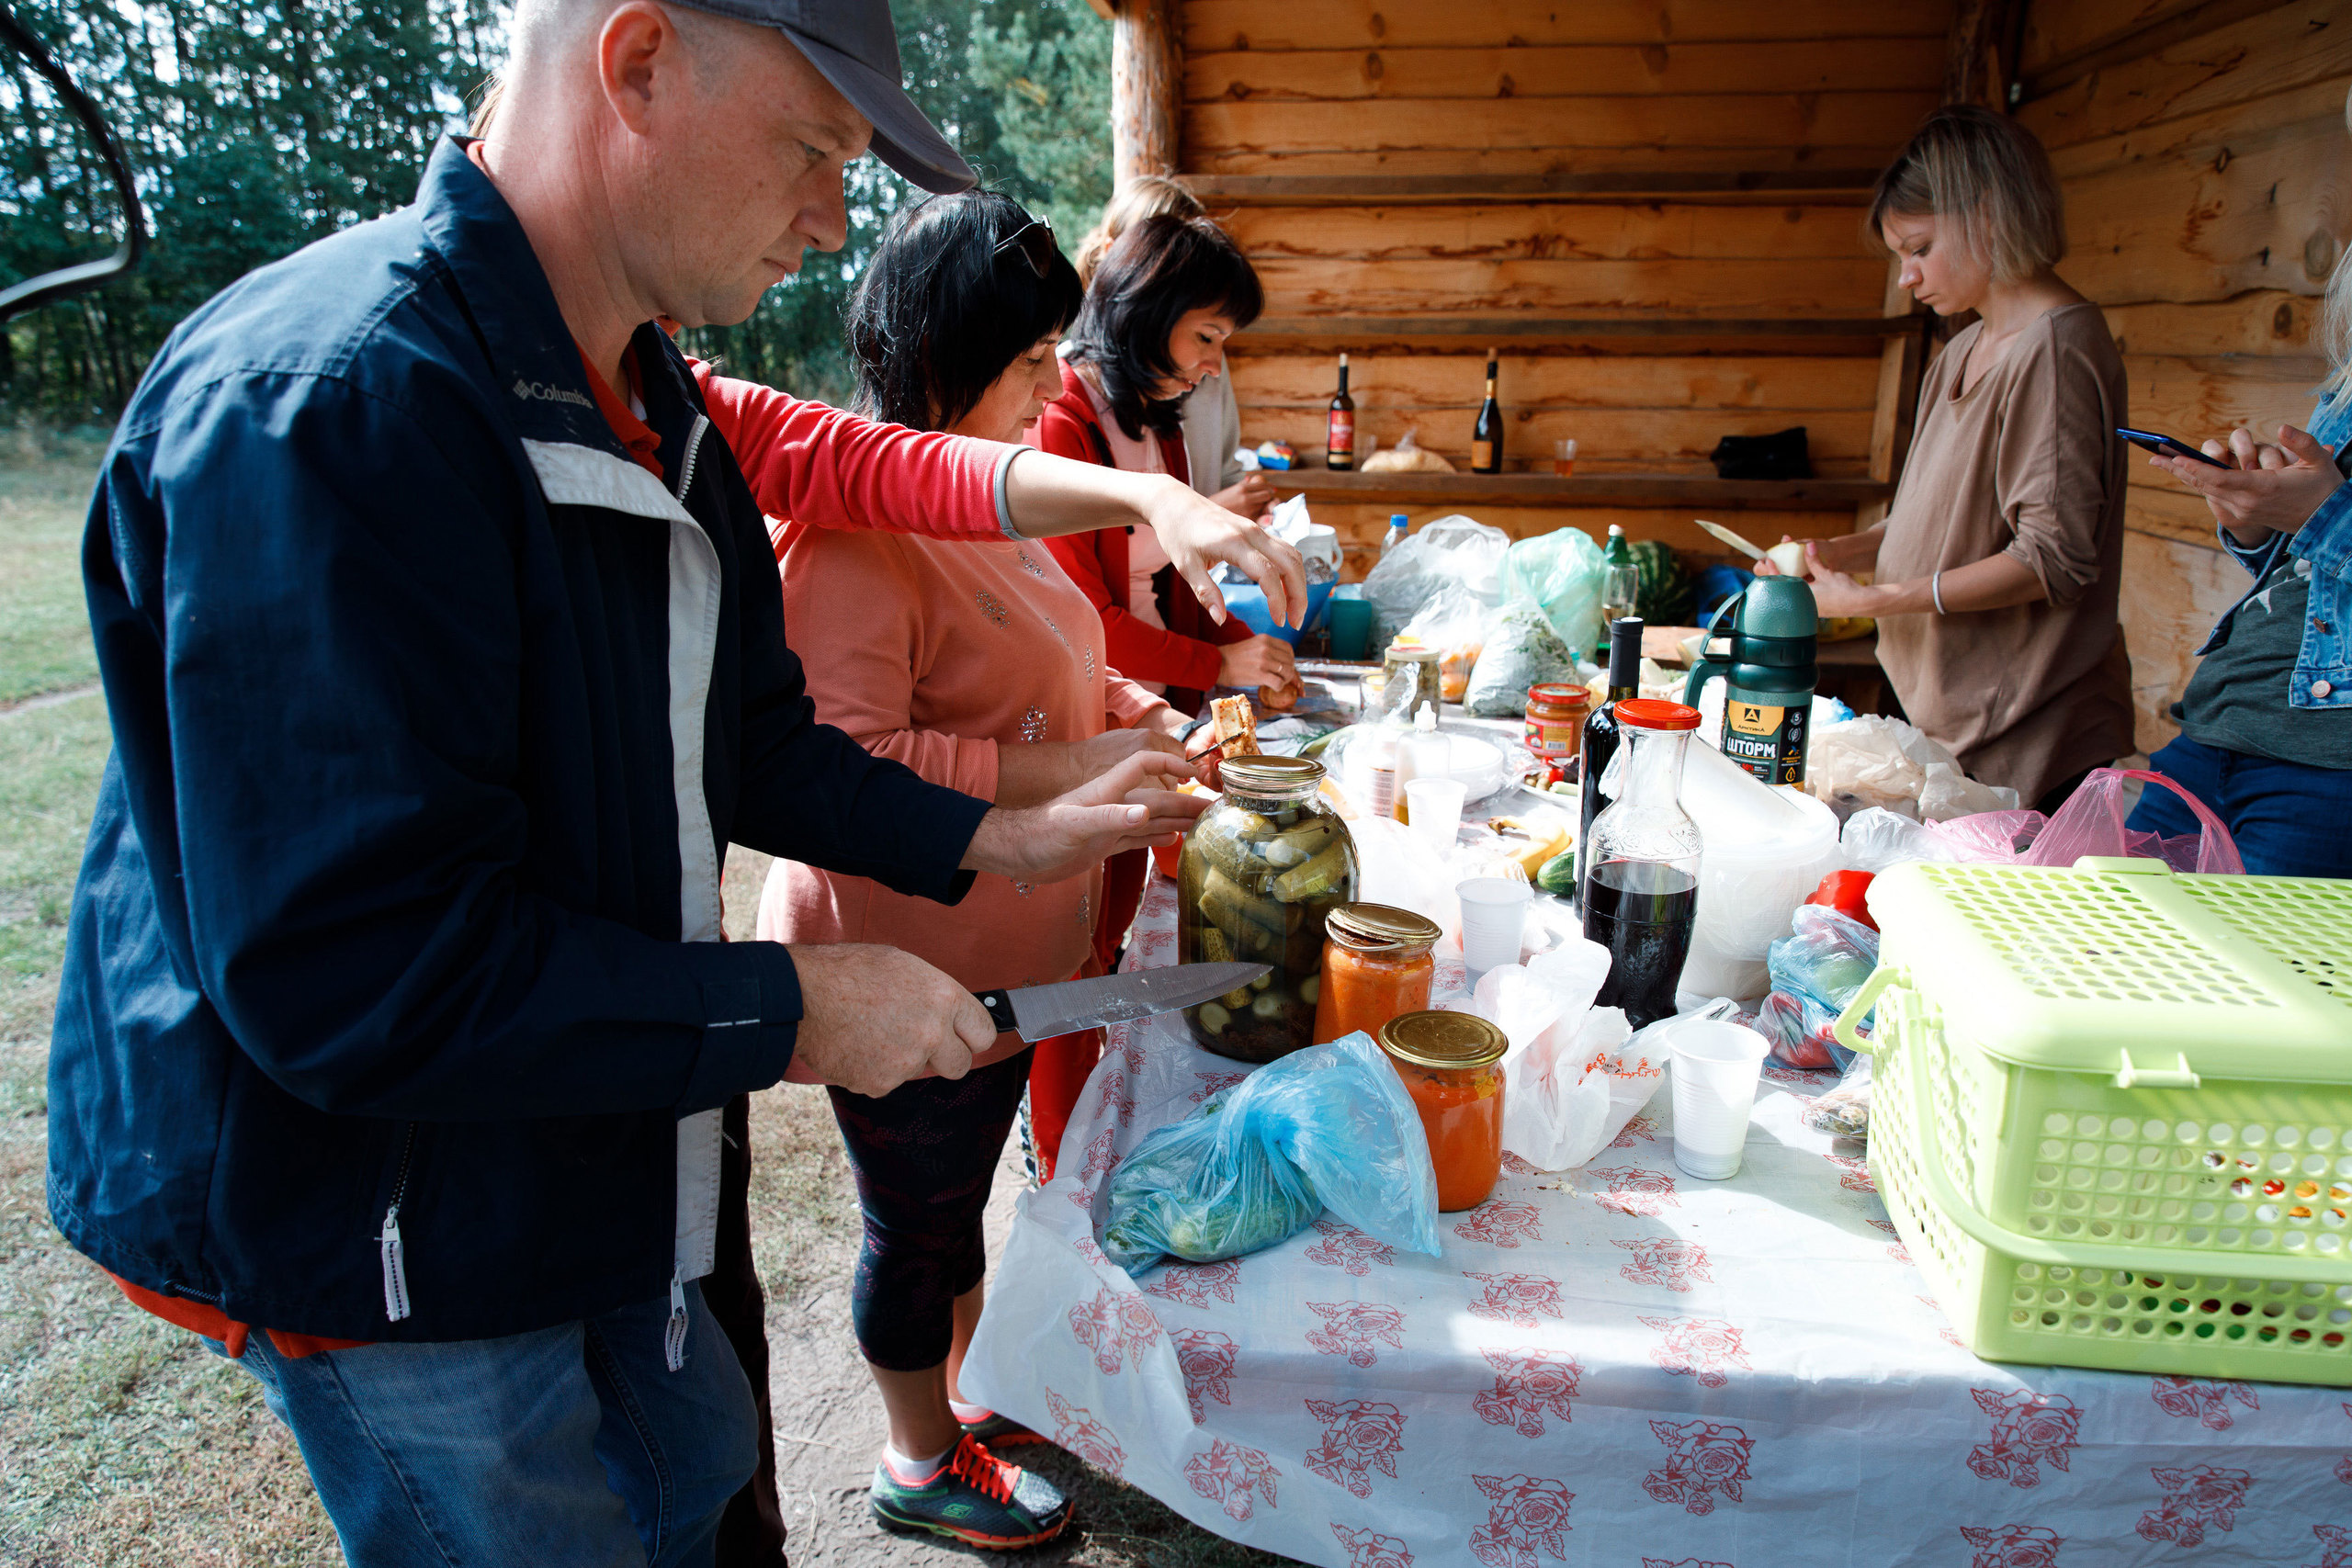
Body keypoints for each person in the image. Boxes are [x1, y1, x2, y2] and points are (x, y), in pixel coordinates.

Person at [48, 4, 1306, 1565]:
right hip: (388, 1225)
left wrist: (998, 829)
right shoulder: (339, 405)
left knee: (710, 1497)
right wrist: (792, 1008)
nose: (834, 217)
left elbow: (761, 744)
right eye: (812, 150)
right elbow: (352, 971)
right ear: (637, 62)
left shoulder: (662, 410)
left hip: (600, 1126)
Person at [746, 189, 1182, 1548]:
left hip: (1003, 950)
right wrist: (1074, 765)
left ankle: (966, 1393)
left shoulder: (987, 491)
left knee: (958, 1201)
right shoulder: (857, 526)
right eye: (1028, 358)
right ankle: (915, 1454)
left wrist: (1129, 707)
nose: (1056, 382)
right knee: (913, 1221)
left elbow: (1050, 649)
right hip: (901, 957)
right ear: (945, 355)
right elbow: (849, 763)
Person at [1760, 105, 2134, 813]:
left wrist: (1875, 601)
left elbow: (2053, 559)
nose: (1907, 277)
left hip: (2030, 729)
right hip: (1953, 717)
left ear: (1987, 215)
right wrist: (1841, 548)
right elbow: (1928, 519)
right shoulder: (1965, 347)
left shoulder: (2055, 347)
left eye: (1920, 248)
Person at [2130, 249, 2352, 876]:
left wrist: (2322, 515)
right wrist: (2253, 521)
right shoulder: (2345, 395)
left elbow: (2329, 525)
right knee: (2102, 946)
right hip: (2217, 728)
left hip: (2325, 772)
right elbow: (2315, 588)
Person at [1037, 212, 1300, 716]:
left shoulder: (1160, 420)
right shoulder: (1060, 420)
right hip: (1092, 717)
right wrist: (1219, 664)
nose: (1214, 367)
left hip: (1159, 706)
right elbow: (1081, 620)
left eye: (1223, 343)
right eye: (1206, 337)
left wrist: (1254, 653)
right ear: (1148, 312)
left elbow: (1180, 579)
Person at [1076, 174, 1275, 524]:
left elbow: (1221, 472)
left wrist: (1252, 508)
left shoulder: (1165, 408)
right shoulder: (1069, 399)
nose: (1212, 366)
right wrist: (1212, 514)